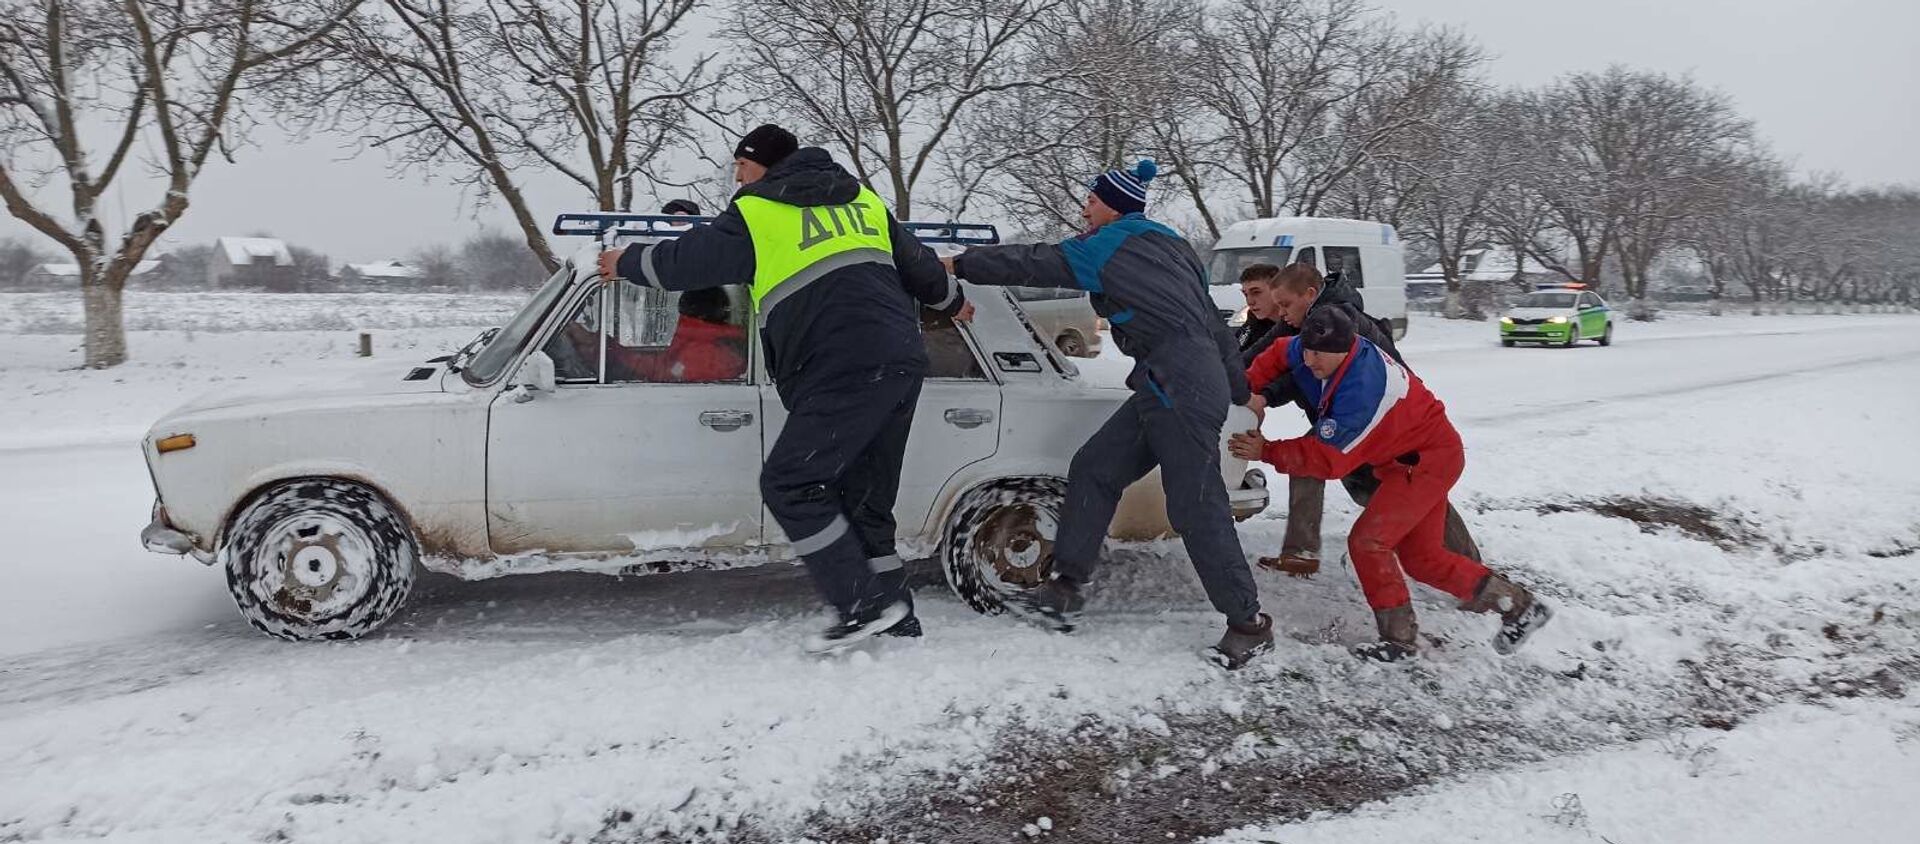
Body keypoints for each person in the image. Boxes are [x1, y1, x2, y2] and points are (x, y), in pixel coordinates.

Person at [595, 124, 970, 652]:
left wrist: (625, 261)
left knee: (790, 484)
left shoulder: (757, 209)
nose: (737, 177)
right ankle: (898, 618)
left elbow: (687, 262)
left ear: (764, 166)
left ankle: (863, 606)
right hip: (900, 360)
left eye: (741, 167)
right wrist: (954, 302)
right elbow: (921, 268)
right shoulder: (863, 201)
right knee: (864, 501)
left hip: (838, 363)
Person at [946, 159, 1273, 669]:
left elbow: (1035, 262)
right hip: (1167, 383)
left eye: (1092, 201)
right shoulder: (1175, 246)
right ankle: (1066, 587)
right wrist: (1235, 388)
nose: (1085, 209)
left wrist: (959, 264)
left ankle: (1248, 623)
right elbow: (1211, 323)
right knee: (1096, 468)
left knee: (1195, 505)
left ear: (1114, 206)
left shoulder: (1111, 242)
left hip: (1179, 388)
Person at [1229, 307, 1552, 661]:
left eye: (1318, 354)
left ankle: (1399, 641)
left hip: (1425, 463)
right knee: (1423, 559)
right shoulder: (1319, 346)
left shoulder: (1364, 391)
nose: (1309, 361)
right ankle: (1519, 606)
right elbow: (1278, 353)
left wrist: (1266, 450)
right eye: (1306, 351)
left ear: (1344, 349)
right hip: (1410, 458)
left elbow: (1328, 460)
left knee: (1368, 542)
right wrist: (1251, 394)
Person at [1250, 263, 1483, 578]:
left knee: (1413, 494)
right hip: (1345, 422)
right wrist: (1247, 387)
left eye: (1285, 304)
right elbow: (1270, 358)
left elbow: (1307, 376)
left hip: (1386, 426)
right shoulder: (1306, 322)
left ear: (1309, 294)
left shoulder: (1338, 324)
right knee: (1306, 461)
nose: (1280, 312)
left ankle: (1468, 563)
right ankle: (1301, 552)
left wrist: (1265, 396)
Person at [568, 287, 747, 383]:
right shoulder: (699, 340)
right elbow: (658, 367)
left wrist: (601, 351)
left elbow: (662, 380)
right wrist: (601, 348)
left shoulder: (705, 353)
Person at [1235, 264, 1283, 361]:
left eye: (1256, 292)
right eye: (1245, 294)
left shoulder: (1298, 324)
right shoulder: (1250, 326)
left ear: (1277, 291)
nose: (1250, 302)